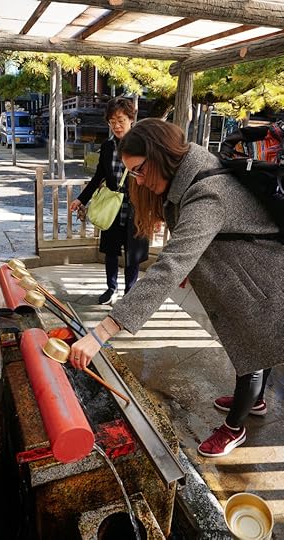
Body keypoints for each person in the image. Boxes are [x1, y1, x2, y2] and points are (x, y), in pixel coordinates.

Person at [69, 118, 284, 458]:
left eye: (138, 170)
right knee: (256, 347)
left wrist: (101, 333)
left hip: (263, 280)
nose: (136, 179)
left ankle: (234, 427)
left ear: (159, 156)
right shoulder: (189, 173)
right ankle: (255, 401)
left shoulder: (208, 192)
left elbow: (169, 266)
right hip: (248, 272)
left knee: (253, 353)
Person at [70, 97, 149, 304]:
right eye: (112, 121)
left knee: (133, 254)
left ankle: (129, 292)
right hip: (111, 208)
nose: (116, 125)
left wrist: (155, 213)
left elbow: (151, 179)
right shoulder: (106, 147)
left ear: (131, 119)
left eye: (121, 120)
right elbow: (98, 177)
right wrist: (81, 199)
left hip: (136, 209)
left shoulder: (143, 146)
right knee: (111, 252)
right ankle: (111, 288)